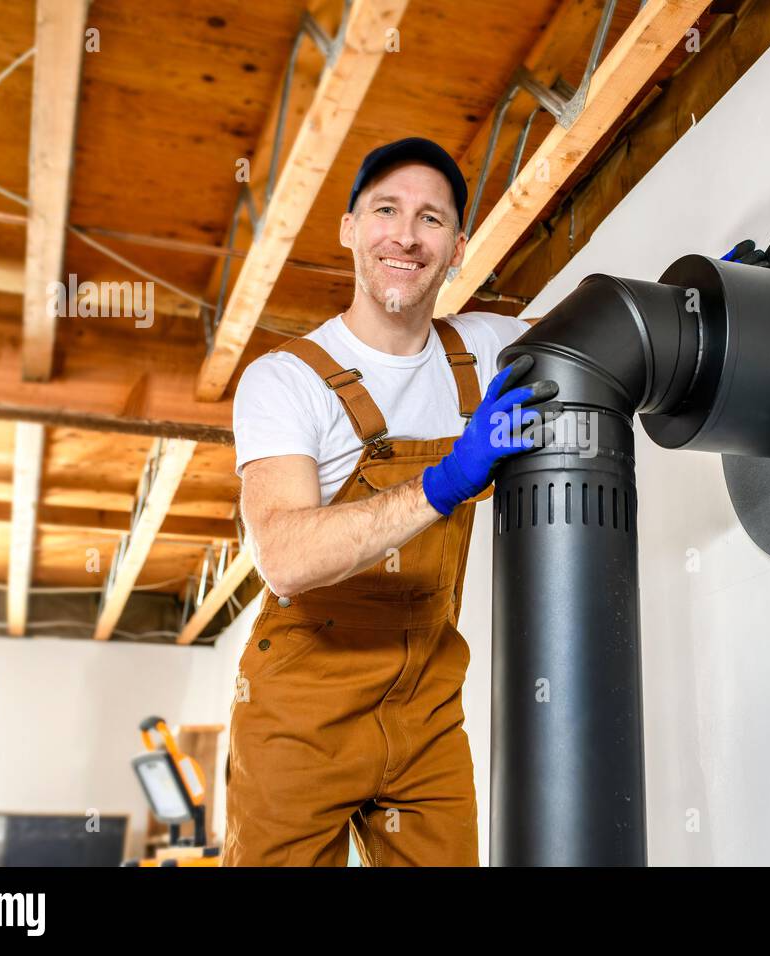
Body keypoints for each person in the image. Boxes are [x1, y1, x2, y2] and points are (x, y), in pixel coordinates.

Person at [221, 137, 557, 866]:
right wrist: (443, 482)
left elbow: (603, 336)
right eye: (386, 210)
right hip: (300, 716)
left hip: (428, 709)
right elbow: (283, 556)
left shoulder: (488, 345)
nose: (406, 235)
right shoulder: (286, 380)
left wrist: (700, 305)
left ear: (458, 246)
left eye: (431, 219)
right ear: (349, 228)